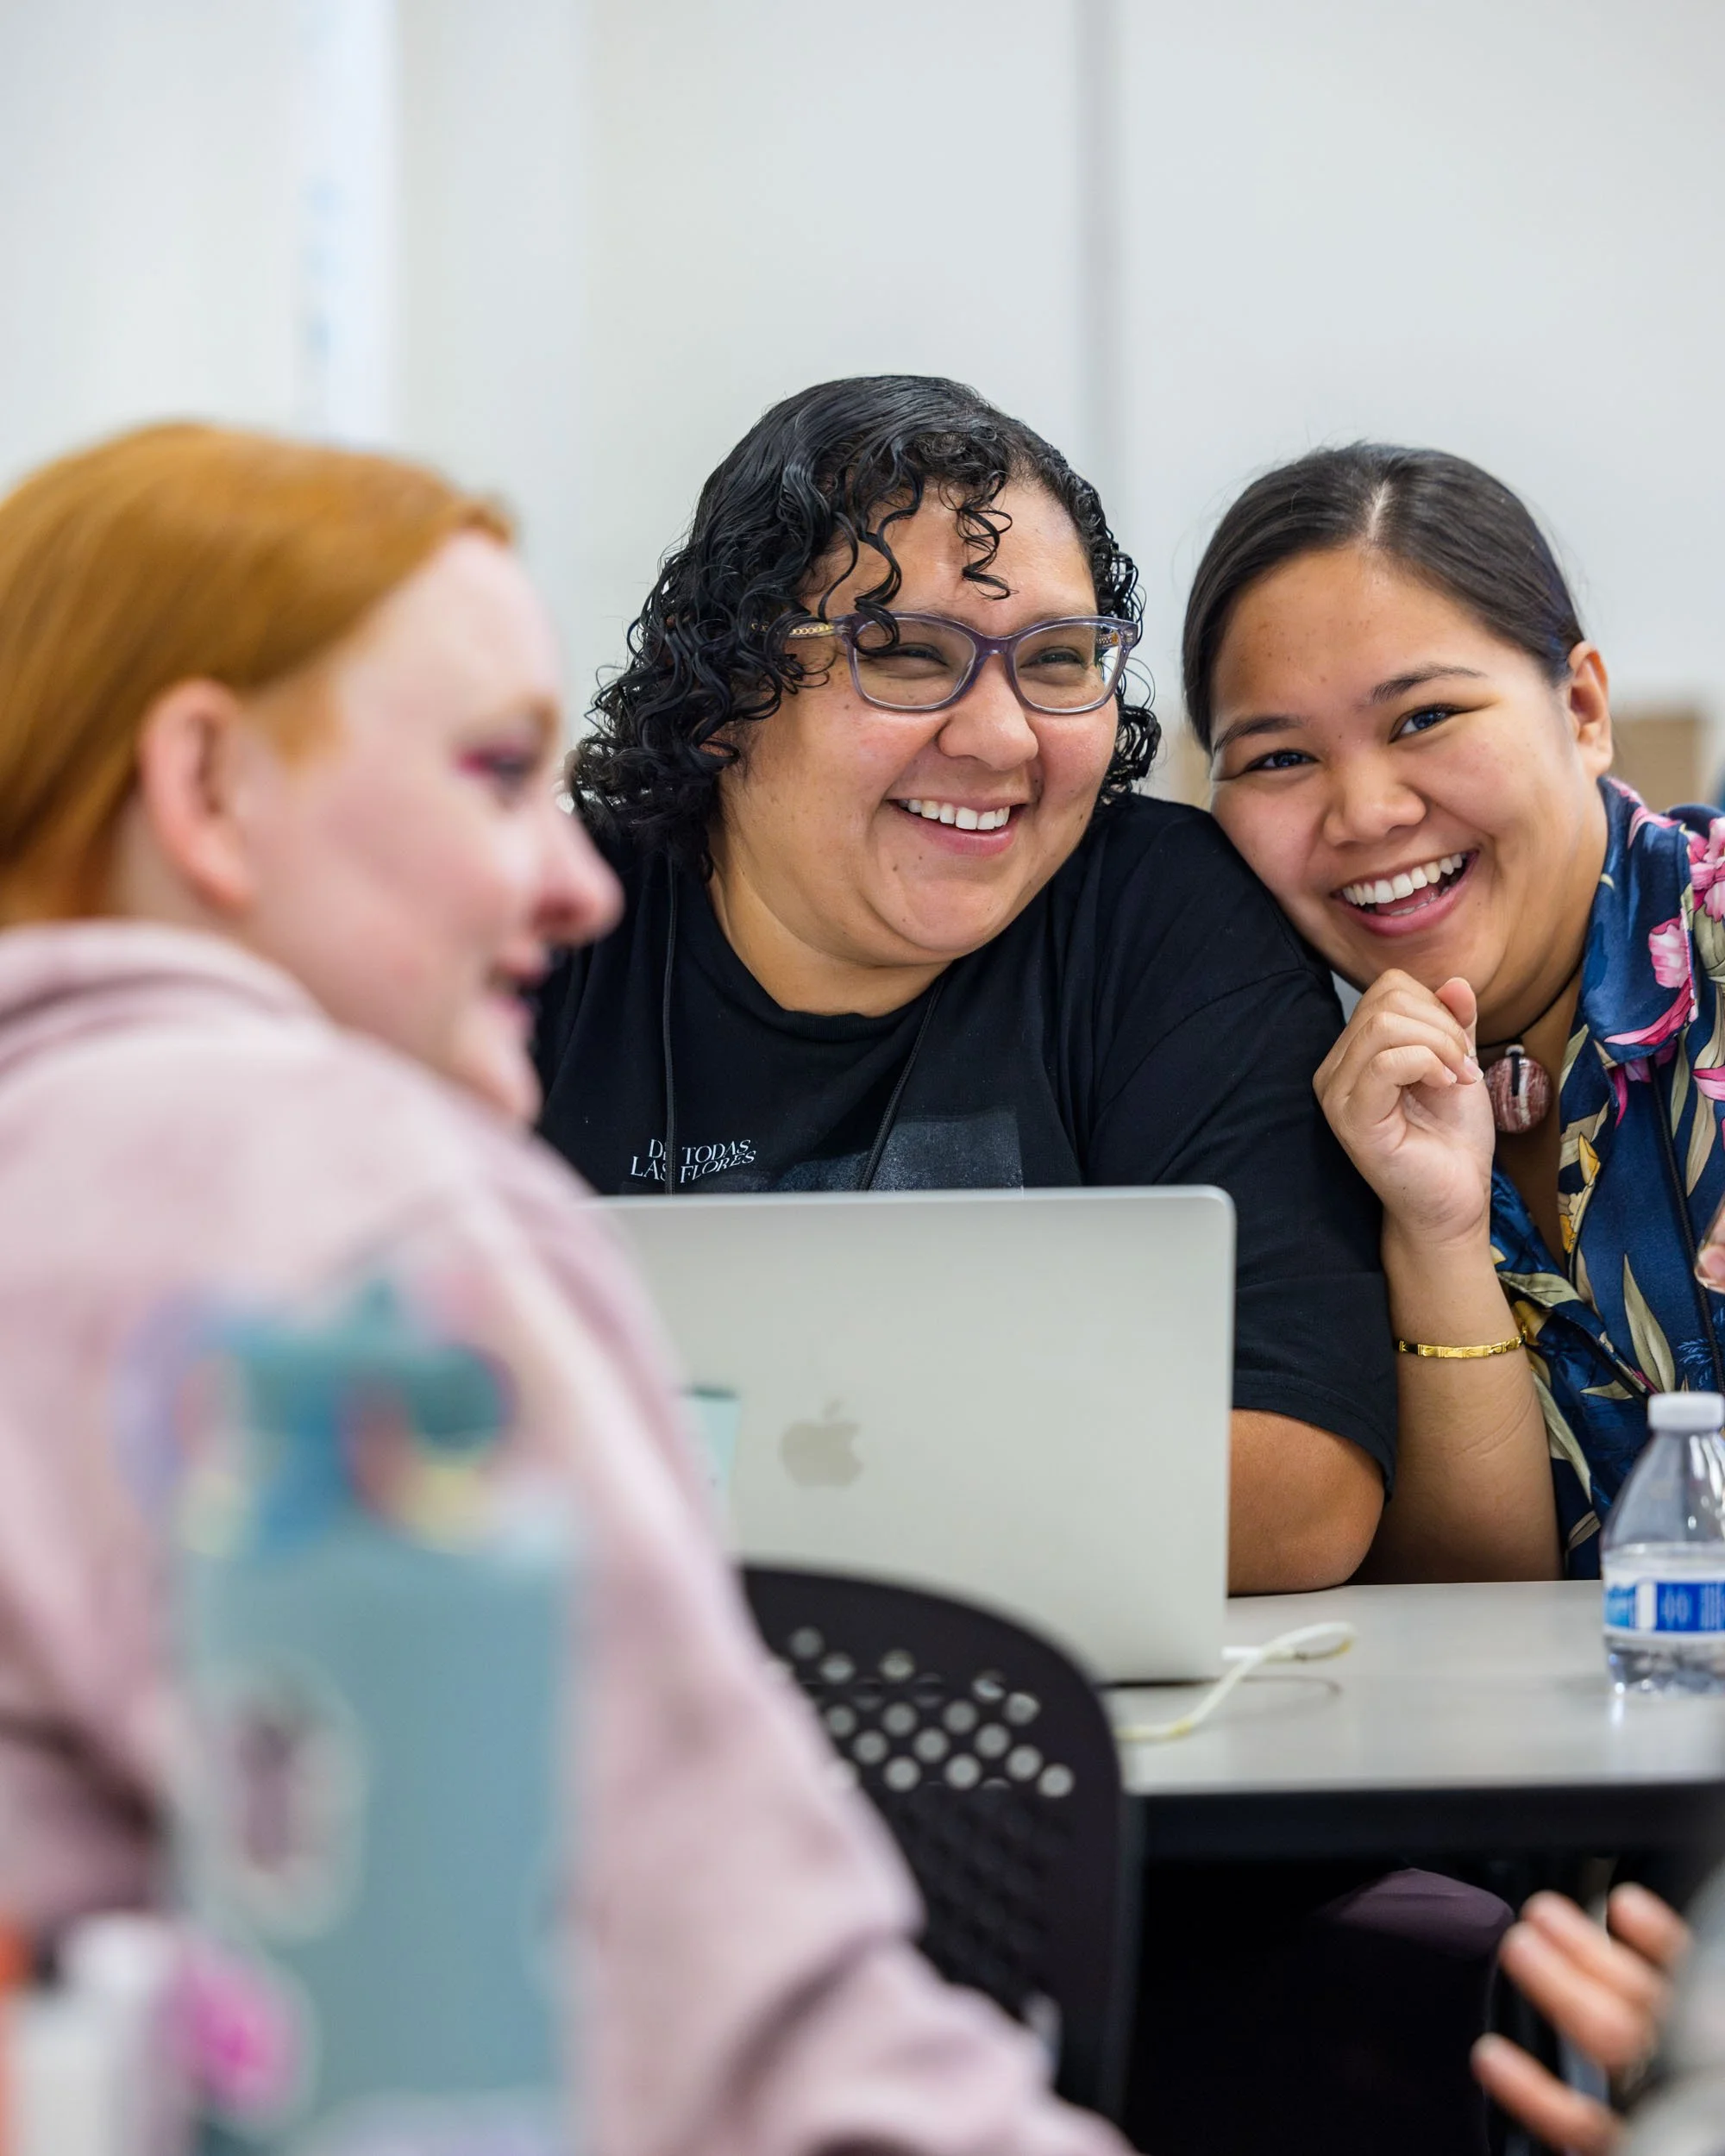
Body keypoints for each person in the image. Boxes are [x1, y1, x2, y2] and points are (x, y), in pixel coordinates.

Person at [0, 420, 1131, 2156]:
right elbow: (742, 2025)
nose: (576, 877)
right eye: (492, 771)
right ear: (208, 784)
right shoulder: (344, 1209)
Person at [535, 373, 1397, 1594]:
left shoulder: (1162, 921)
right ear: (726, 692)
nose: (999, 739)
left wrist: (663, 1506)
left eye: (1055, 660)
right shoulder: (549, 926)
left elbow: (1300, 1487)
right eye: (903, 651)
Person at [1186, 442, 1725, 1580]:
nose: (1367, 812)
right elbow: (1470, 1622)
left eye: (1424, 717)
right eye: (1279, 755)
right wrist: (1435, 1231)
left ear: (1581, 708)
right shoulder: (1263, 1091)